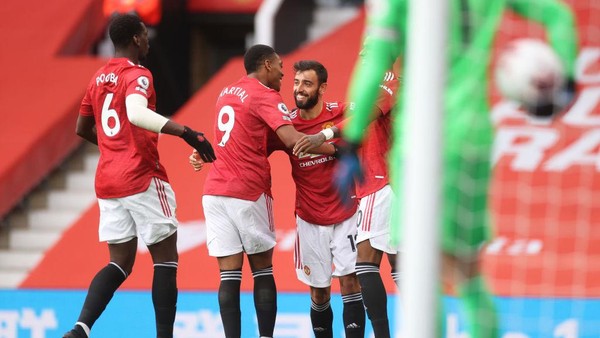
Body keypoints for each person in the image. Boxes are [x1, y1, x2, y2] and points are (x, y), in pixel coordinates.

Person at [337, 0, 578, 337]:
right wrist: (565, 77)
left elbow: (375, 62)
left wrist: (351, 140)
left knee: (419, 272)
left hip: (419, 144)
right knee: (468, 273)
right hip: (472, 137)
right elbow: (559, 15)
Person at [62, 13, 215, 338]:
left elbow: (81, 128)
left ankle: (81, 327)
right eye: (144, 34)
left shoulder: (99, 77)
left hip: (108, 180)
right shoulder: (138, 74)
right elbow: (135, 112)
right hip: (140, 174)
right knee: (166, 260)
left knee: (119, 262)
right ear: (134, 39)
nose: (147, 39)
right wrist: (187, 132)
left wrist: (112, 146)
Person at [191, 60, 365, 338]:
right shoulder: (286, 124)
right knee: (319, 292)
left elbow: (363, 115)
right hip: (309, 218)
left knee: (350, 282)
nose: (298, 89)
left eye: (307, 84)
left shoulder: (338, 112)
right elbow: (246, 143)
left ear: (323, 88)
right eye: (296, 83)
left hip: (346, 213)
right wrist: (206, 155)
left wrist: (329, 140)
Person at [293, 56, 400, 338]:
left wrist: (324, 135)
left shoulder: (387, 82)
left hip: (381, 182)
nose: (364, 56)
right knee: (399, 262)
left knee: (364, 266)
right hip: (373, 187)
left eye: (369, 51)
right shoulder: (370, 88)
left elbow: (364, 115)